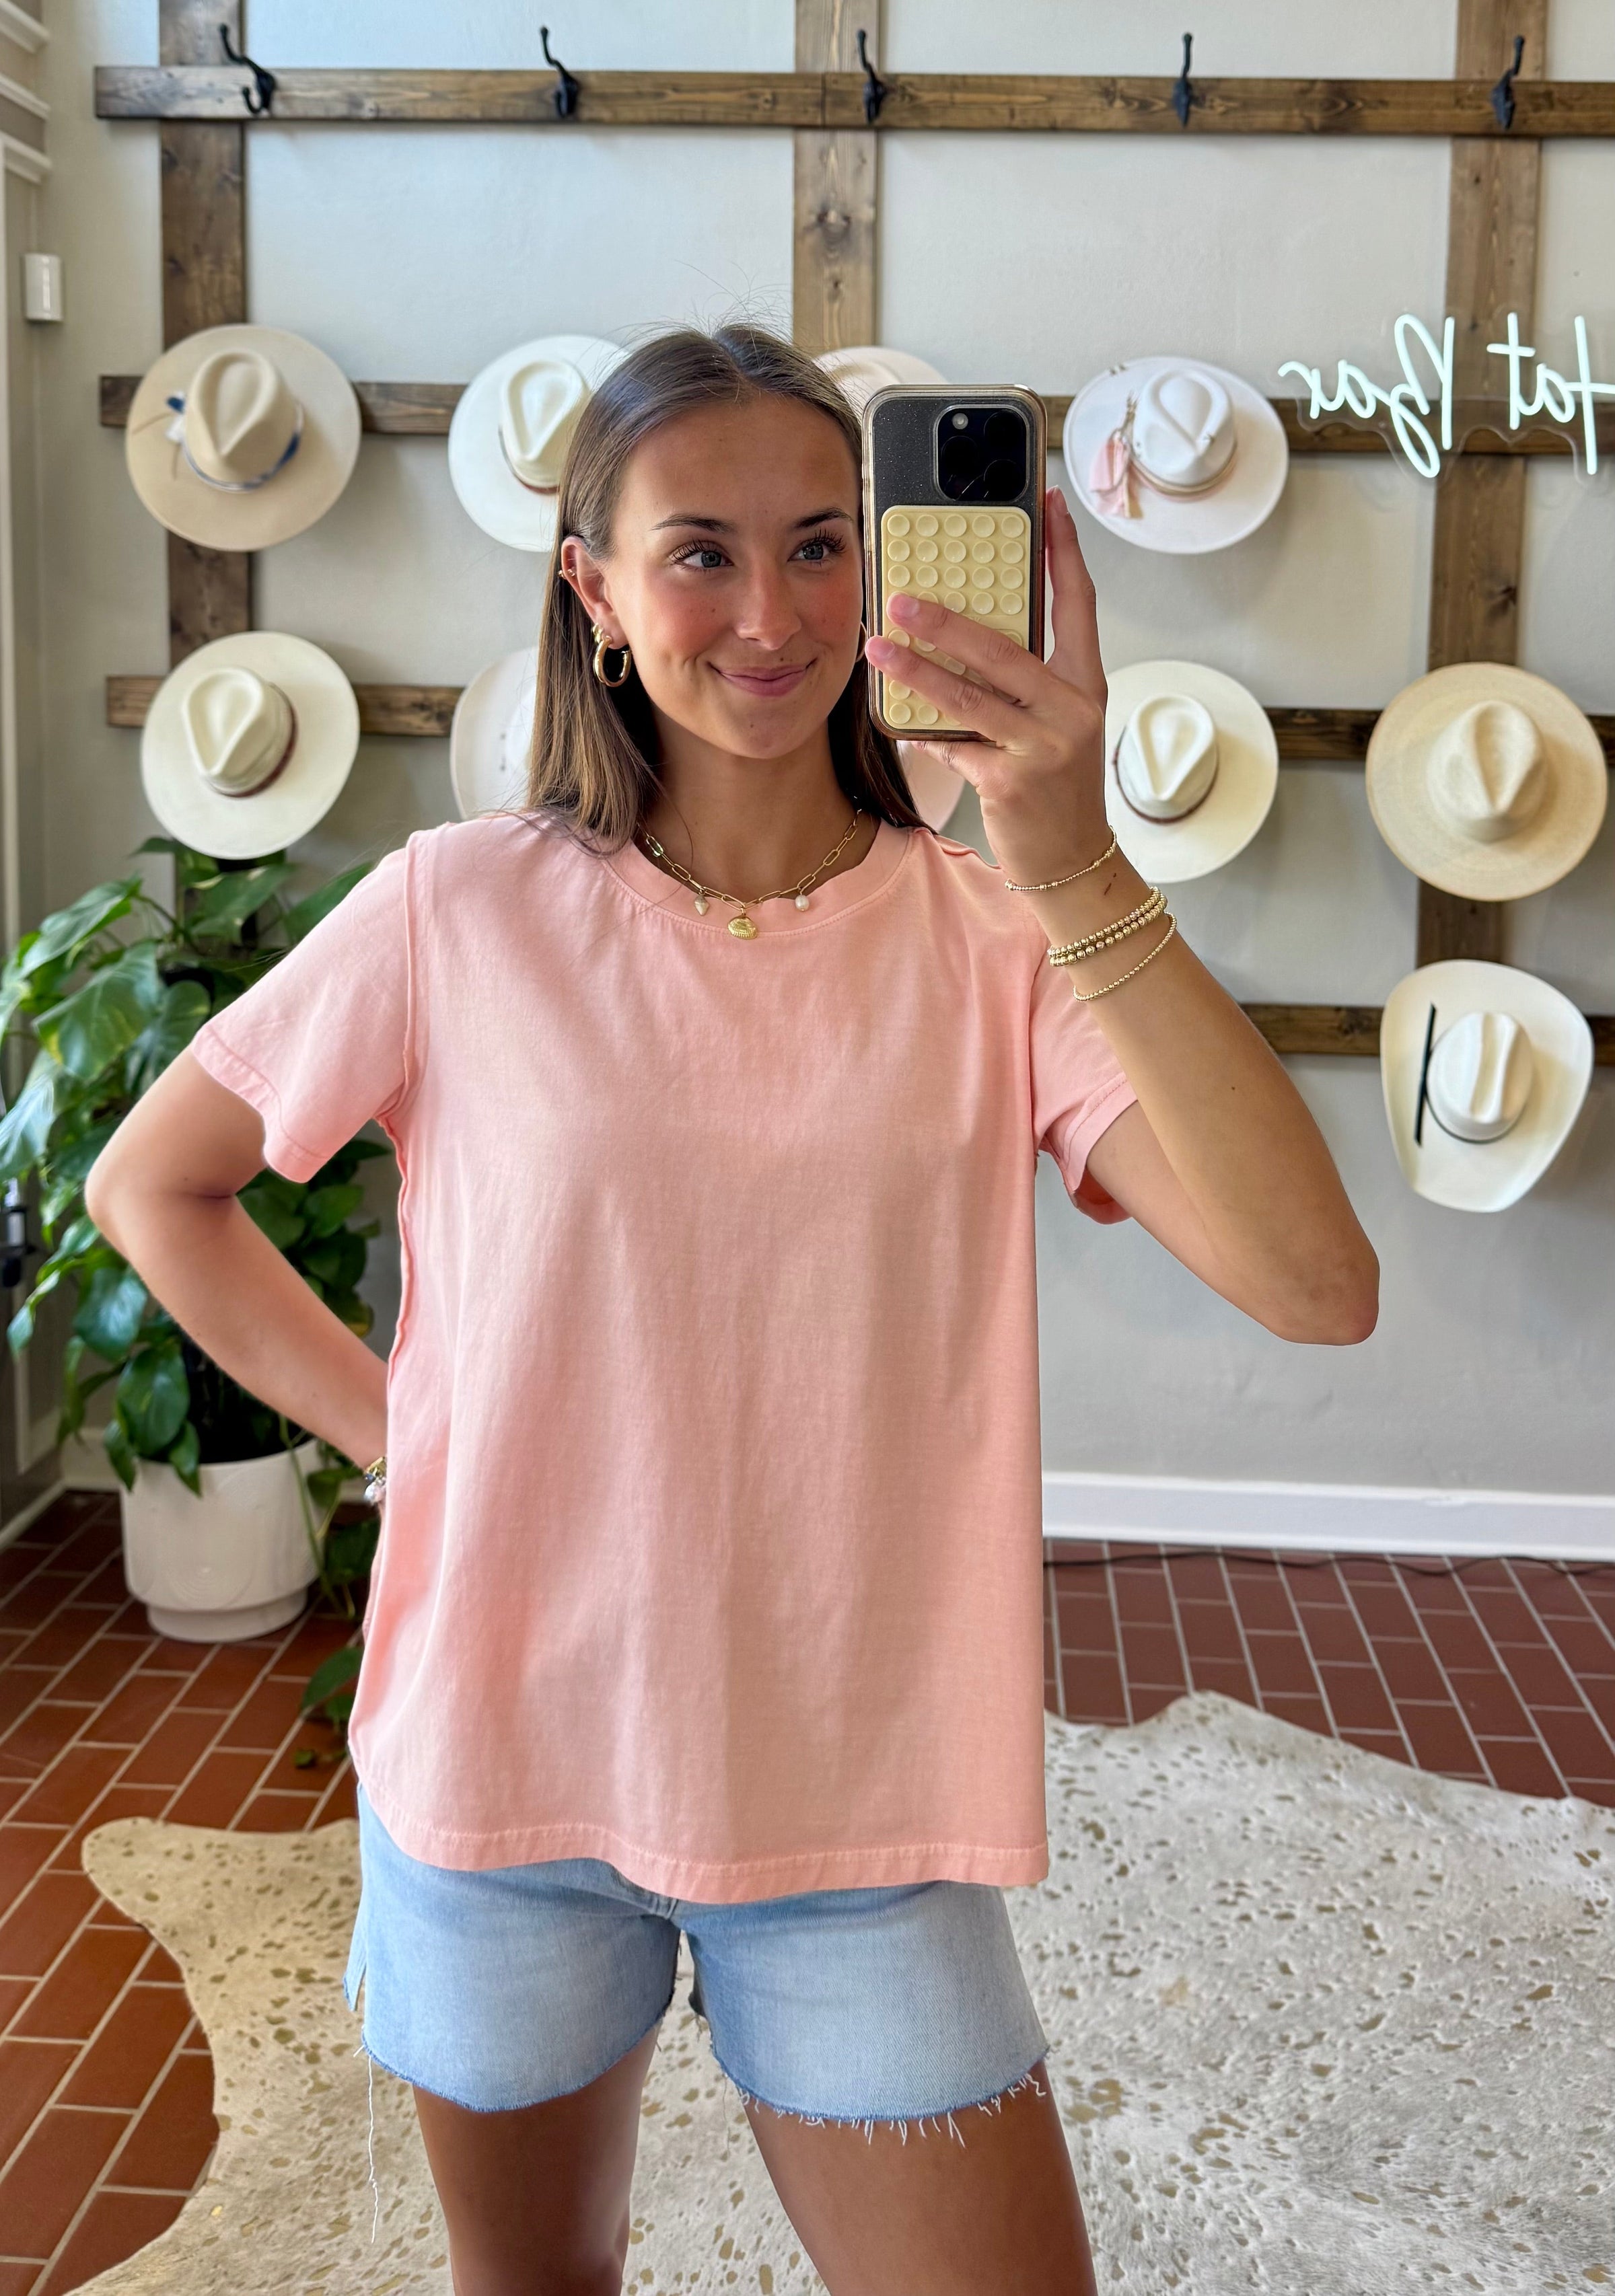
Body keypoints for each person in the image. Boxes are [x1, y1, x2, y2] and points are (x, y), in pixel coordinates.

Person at [86, 324, 1377, 2296]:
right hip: (502, 1776)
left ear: (885, 568)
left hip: (866, 1799)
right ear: (594, 593)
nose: (770, 613)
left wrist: (1077, 861)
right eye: (699, 551)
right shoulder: (458, 906)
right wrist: (406, 1432)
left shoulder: (998, 942)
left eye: (821, 544)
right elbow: (152, 1187)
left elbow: (1318, 1287)